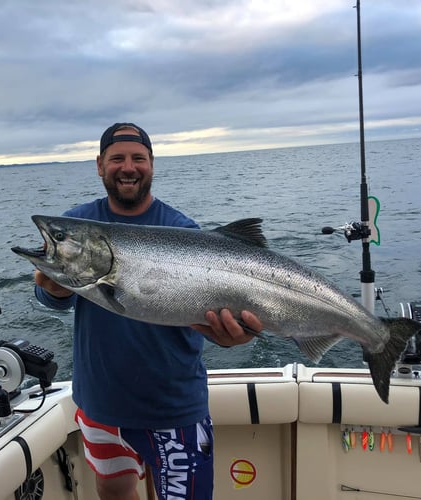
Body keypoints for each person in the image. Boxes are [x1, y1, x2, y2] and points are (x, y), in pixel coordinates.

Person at [34, 122, 261, 500]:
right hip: (101, 403)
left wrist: (232, 336)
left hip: (172, 406)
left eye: (138, 158)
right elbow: (54, 297)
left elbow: (209, 313)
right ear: (99, 165)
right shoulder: (80, 224)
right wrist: (54, 290)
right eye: (116, 158)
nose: (128, 167)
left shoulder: (181, 229)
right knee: (115, 493)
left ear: (151, 165)